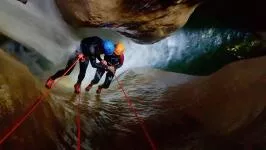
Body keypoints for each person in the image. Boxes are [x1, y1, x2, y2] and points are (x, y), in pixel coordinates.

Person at [45, 36, 115, 94]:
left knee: (82, 73)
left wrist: (101, 60)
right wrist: (107, 67)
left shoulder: (99, 40)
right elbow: (93, 64)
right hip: (78, 52)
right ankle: (52, 78)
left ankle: (78, 84)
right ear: (102, 49)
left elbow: (87, 44)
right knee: (67, 72)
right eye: (104, 52)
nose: (104, 54)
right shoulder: (92, 50)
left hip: (86, 53)